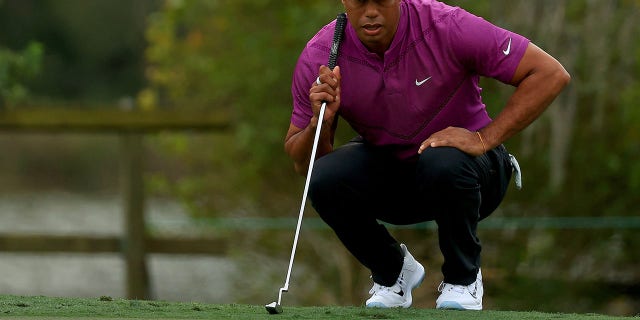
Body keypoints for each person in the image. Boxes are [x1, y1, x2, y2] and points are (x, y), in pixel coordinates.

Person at [284, 0, 570, 310]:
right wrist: (319, 123)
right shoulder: (322, 54)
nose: (370, 11)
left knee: (443, 159)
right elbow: (304, 162)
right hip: (397, 177)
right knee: (324, 177)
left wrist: (483, 137)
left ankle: (463, 280)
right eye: (359, 0)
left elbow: (550, 74)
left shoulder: (448, 26)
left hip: (473, 176)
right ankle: (394, 272)